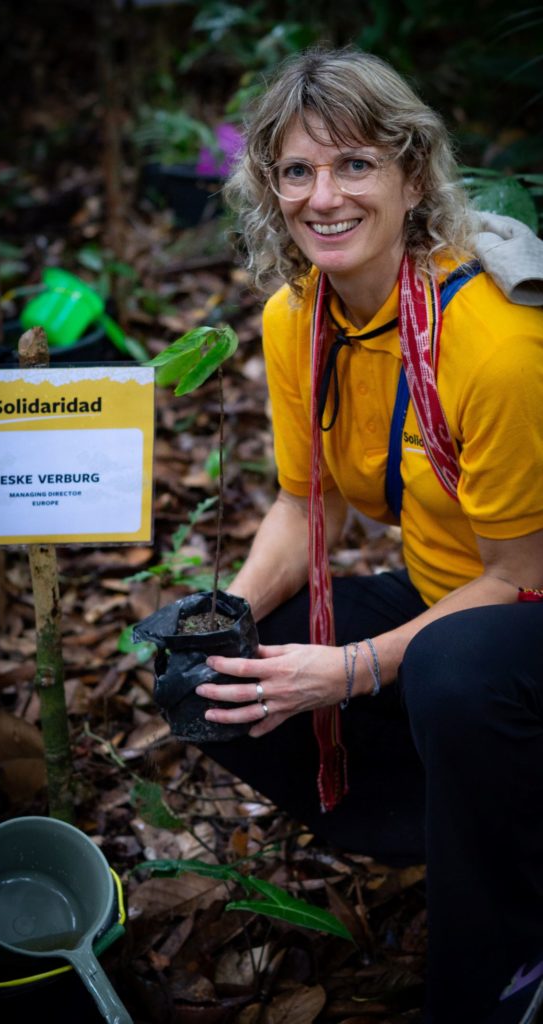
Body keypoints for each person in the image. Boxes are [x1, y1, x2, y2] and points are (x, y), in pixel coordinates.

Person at [191, 46, 543, 1024]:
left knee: (450, 671)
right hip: (449, 607)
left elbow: (522, 575)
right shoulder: (296, 317)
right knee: (222, 666)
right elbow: (309, 504)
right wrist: (219, 612)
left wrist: (350, 669)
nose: (322, 195)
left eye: (354, 165)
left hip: (512, 613)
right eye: (295, 170)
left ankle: (501, 964)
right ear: (268, 188)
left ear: (411, 175)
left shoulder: (497, 345)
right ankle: (473, 833)